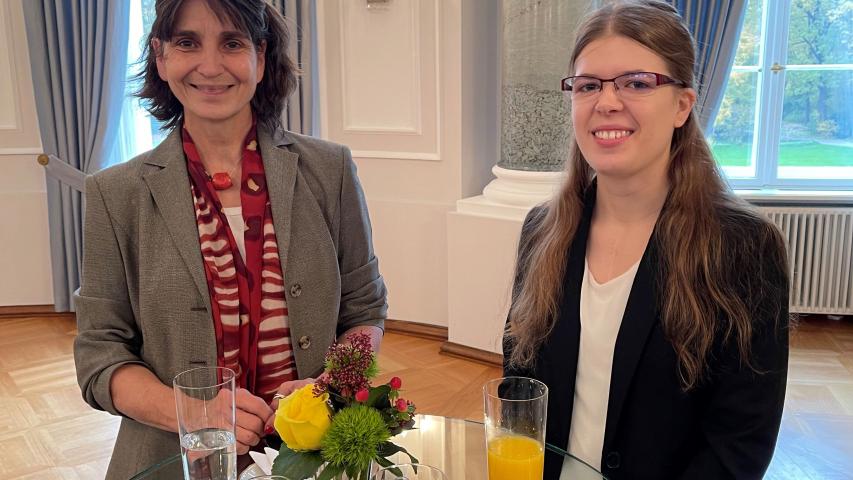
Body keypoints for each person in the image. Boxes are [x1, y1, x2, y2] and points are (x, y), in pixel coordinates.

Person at [73, 1, 386, 478]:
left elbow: (364, 312)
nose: (211, 66)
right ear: (160, 56)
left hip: (315, 457)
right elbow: (101, 355)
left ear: (260, 56)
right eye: (187, 42)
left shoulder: (331, 171)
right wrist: (195, 415)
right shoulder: (115, 194)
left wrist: (330, 387)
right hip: (170, 460)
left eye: (233, 43)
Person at [502, 1, 790, 479]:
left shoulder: (744, 246)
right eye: (588, 85)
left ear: (682, 105)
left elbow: (739, 444)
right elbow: (519, 388)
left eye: (636, 83)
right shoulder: (541, 230)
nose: (607, 102)